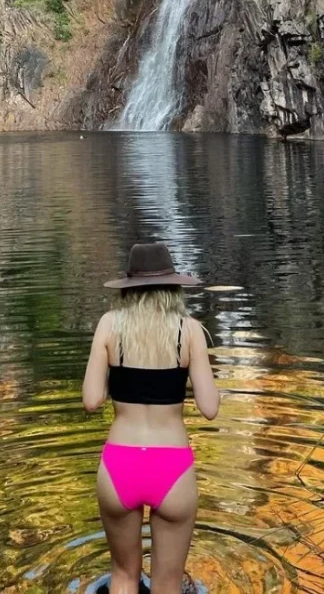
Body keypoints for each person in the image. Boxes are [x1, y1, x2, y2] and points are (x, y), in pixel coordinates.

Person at [82, 242, 220, 594]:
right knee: (167, 584)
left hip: (120, 465)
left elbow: (91, 400)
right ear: (173, 285)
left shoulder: (110, 325)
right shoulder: (188, 330)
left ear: (128, 288)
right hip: (171, 466)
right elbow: (209, 408)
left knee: (125, 576)